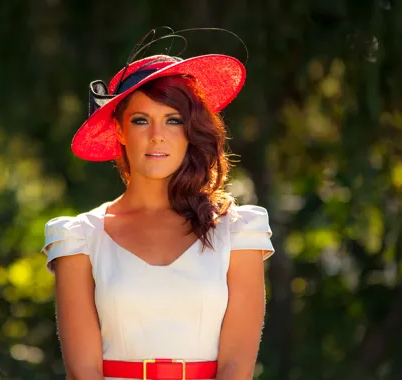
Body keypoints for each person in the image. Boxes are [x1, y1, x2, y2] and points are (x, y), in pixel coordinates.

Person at [42, 42, 274, 380]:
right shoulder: (79, 238)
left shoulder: (238, 231)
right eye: (140, 120)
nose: (156, 136)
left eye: (173, 120)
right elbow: (83, 371)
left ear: (191, 131)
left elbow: (236, 367)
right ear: (120, 130)